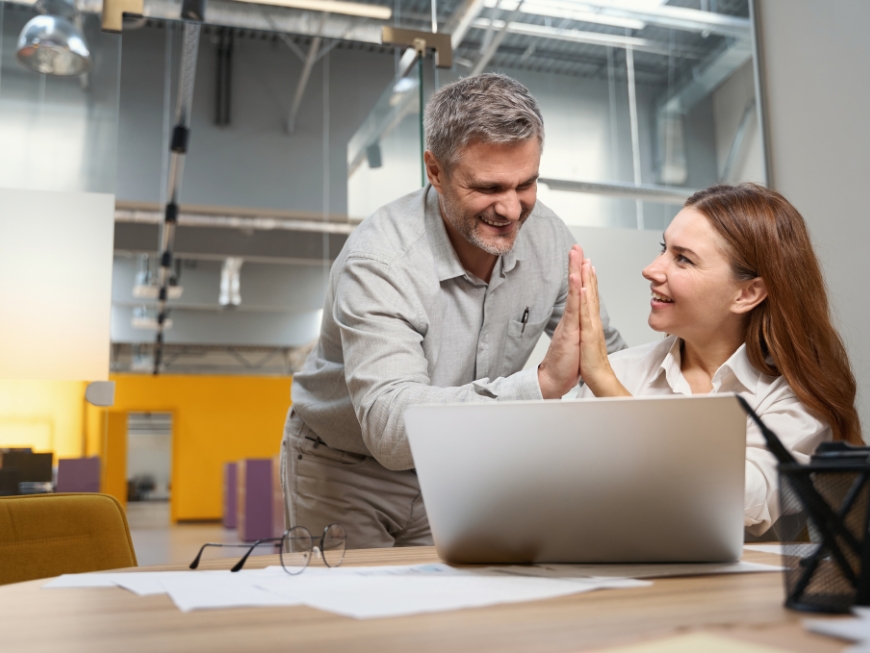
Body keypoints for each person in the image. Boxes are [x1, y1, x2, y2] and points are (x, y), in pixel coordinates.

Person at [280, 73, 627, 548]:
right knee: (353, 597)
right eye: (488, 187)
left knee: (454, 594)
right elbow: (391, 429)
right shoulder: (381, 261)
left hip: (455, 465)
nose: (511, 210)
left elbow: (609, 358)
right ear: (435, 171)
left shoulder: (548, 240)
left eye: (527, 183)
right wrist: (542, 385)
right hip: (344, 468)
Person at [575, 182, 862, 536]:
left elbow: (739, 499)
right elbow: (570, 499)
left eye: (683, 258)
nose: (651, 269)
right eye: (664, 248)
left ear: (747, 293)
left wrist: (607, 387)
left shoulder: (794, 400)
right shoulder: (623, 371)